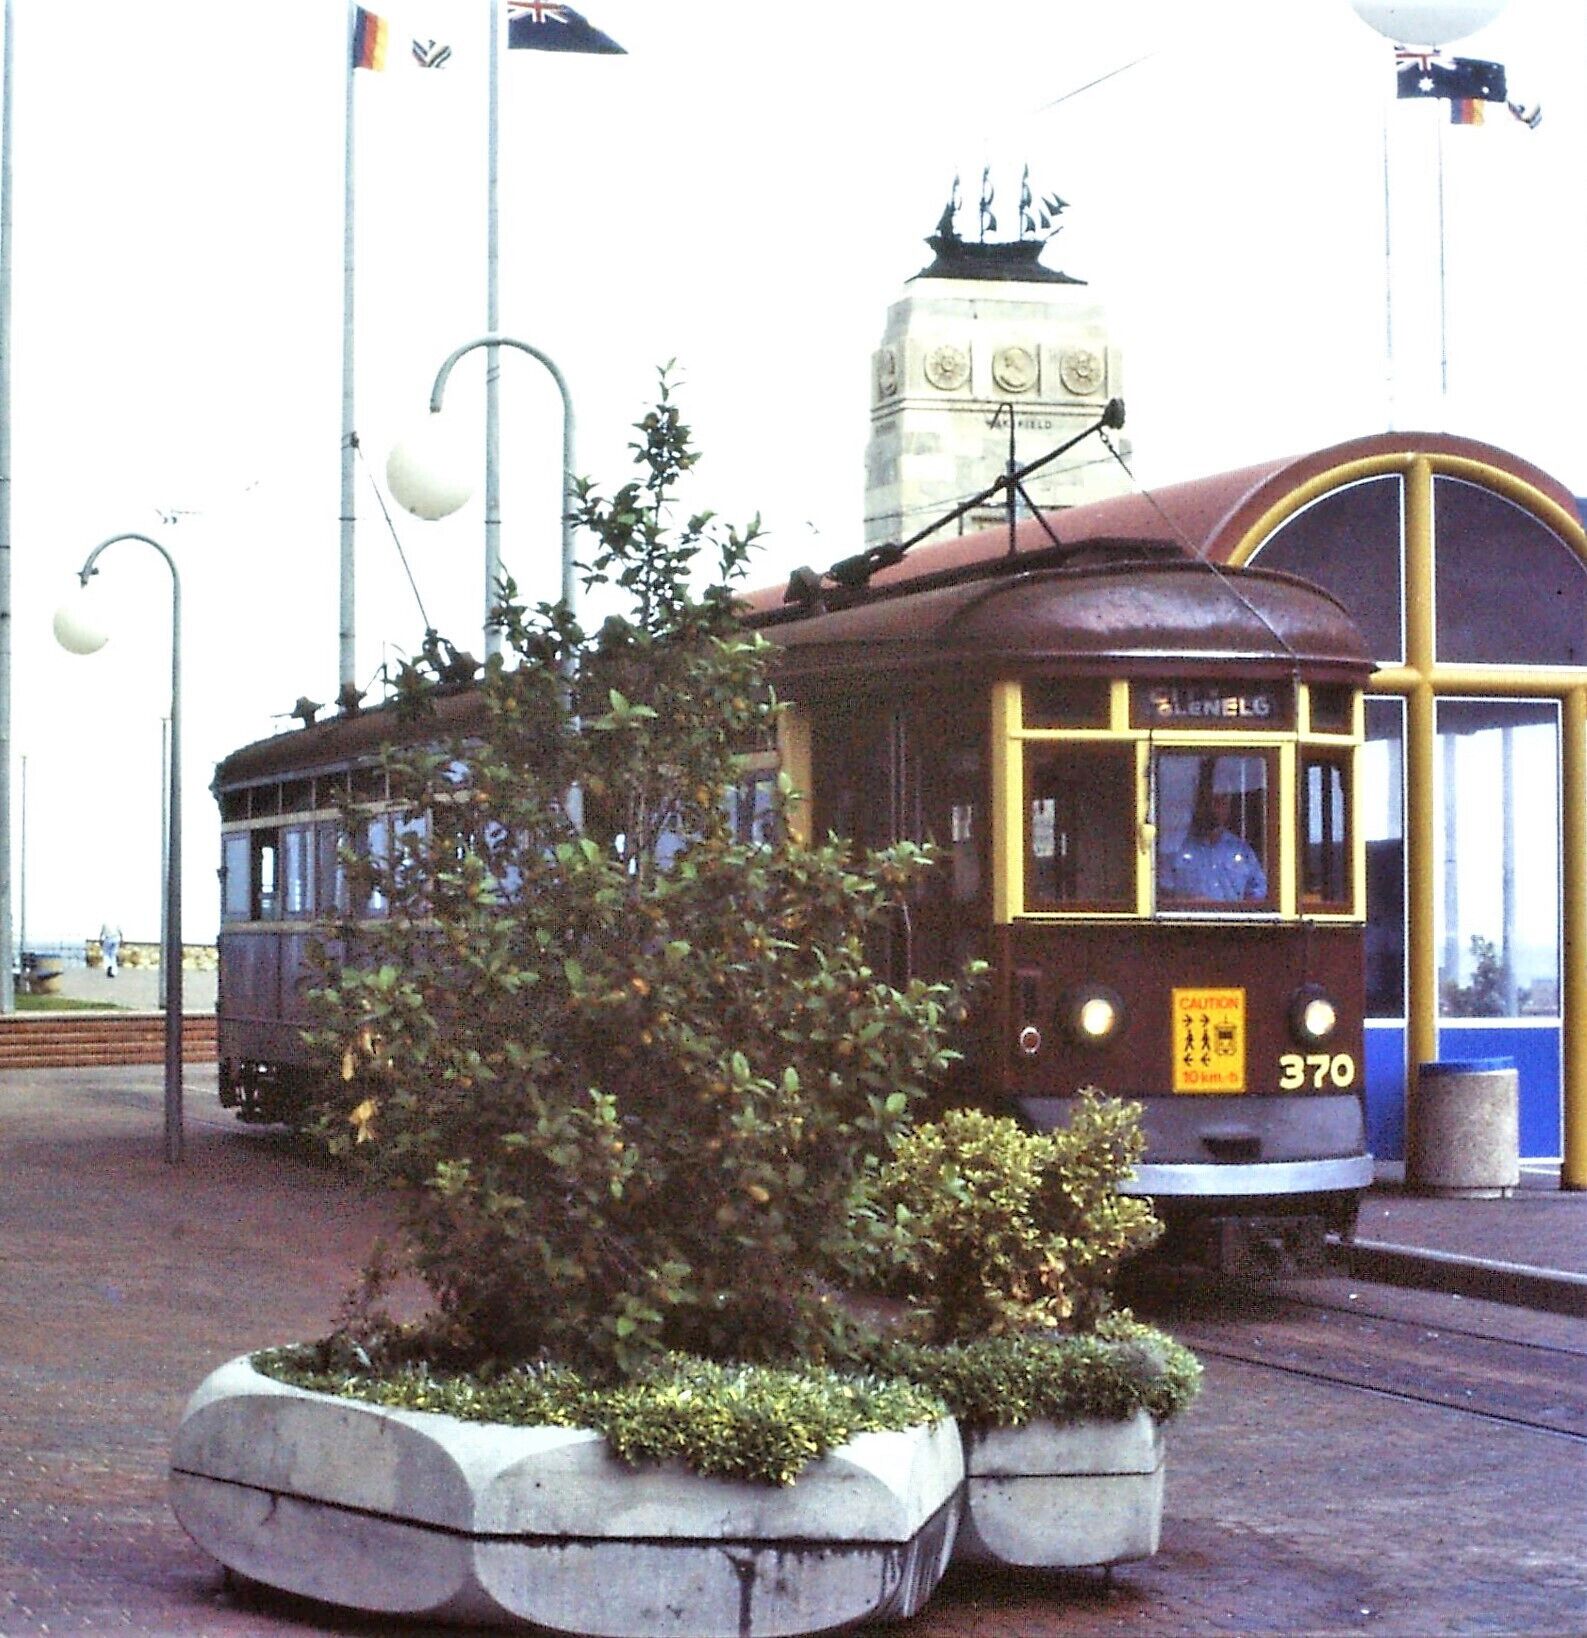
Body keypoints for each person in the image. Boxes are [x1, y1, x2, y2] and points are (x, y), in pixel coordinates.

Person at [1158, 758, 1268, 904]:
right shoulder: (1175, 848)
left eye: (1221, 802)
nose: (1214, 808)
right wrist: (1191, 902)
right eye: (1209, 801)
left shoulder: (1242, 851)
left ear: (1228, 806)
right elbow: (1161, 897)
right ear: (1198, 804)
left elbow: (1259, 895)